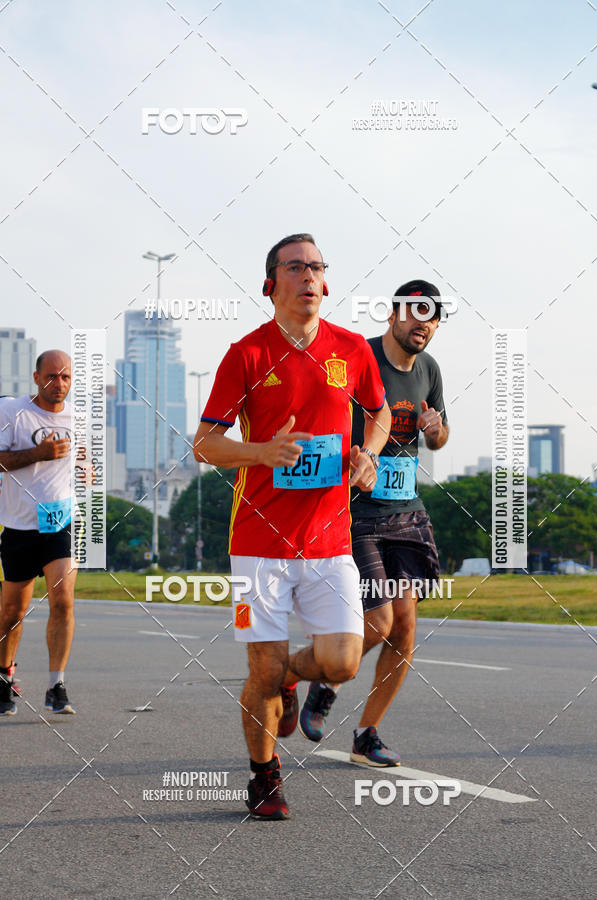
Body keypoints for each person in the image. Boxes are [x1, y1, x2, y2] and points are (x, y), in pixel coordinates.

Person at [193, 233, 391, 819]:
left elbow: (377, 413)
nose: (309, 276)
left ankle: (288, 680)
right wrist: (262, 452)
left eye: (317, 267)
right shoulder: (246, 354)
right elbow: (205, 444)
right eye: (295, 267)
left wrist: (369, 455)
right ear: (271, 283)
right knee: (262, 668)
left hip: (329, 542)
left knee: (343, 661)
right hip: (258, 546)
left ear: (326, 283)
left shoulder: (352, 349)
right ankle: (264, 778)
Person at [299, 279, 449, 765]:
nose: (421, 324)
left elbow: (441, 438)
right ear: (393, 314)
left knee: (405, 628)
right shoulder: (357, 356)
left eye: (431, 317)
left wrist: (435, 429)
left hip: (406, 510)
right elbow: (321, 414)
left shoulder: (428, 370)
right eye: (414, 313)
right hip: (358, 511)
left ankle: (367, 735)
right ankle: (322, 681)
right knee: (380, 621)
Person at [0, 350, 77, 716]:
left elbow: (83, 464)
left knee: (63, 600)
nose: (57, 384)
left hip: (58, 524)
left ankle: (56, 684)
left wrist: (87, 474)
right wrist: (38, 453)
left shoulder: (80, 419)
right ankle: (3, 676)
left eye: (64, 377)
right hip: (18, 526)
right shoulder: (12, 411)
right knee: (13, 611)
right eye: (50, 376)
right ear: (36, 377)